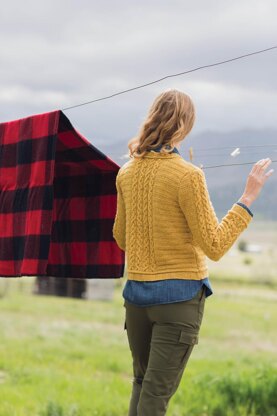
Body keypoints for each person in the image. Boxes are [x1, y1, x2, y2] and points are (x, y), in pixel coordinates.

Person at [112, 88, 274, 416]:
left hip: (136, 300)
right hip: (178, 301)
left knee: (142, 385)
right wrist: (247, 198)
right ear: (184, 125)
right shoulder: (188, 176)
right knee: (155, 399)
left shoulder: (127, 172)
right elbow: (214, 246)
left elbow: (121, 239)